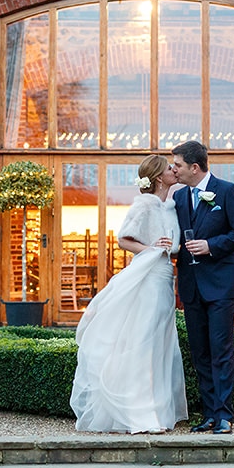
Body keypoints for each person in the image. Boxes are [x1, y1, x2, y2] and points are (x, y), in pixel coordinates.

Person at [69, 154, 188, 433]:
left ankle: (159, 411)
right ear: (159, 177)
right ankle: (140, 414)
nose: (174, 170)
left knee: (161, 343)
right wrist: (152, 249)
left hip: (165, 279)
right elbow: (124, 239)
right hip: (148, 277)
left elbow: (174, 245)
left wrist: (174, 249)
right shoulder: (144, 206)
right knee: (144, 342)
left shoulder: (170, 207)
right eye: (169, 169)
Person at [171, 140, 234, 435]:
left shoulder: (228, 190)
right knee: (200, 352)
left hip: (221, 285)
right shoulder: (179, 198)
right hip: (191, 285)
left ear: (195, 167)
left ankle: (223, 415)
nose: (174, 170)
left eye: (178, 165)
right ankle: (208, 414)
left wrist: (211, 245)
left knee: (220, 350)